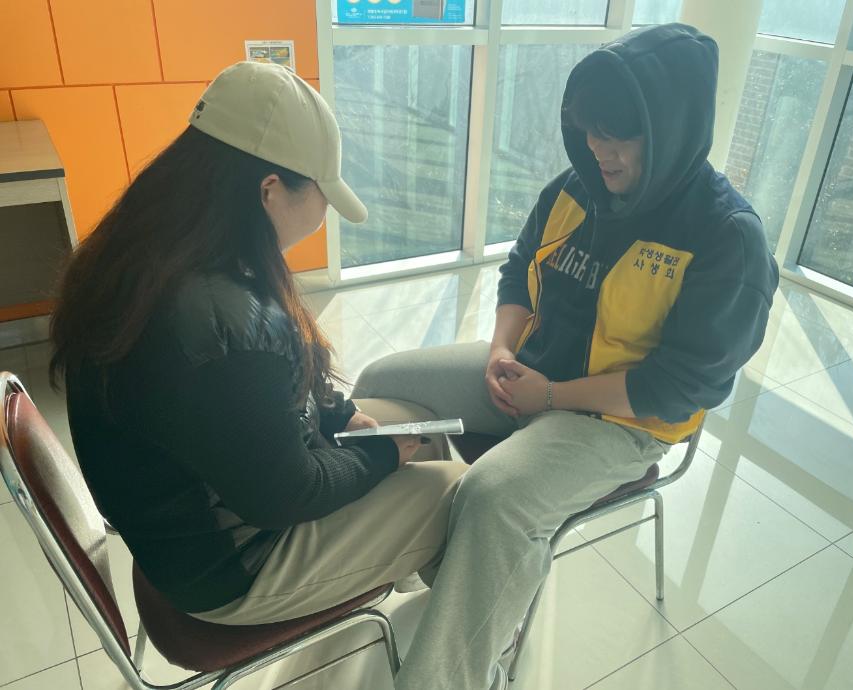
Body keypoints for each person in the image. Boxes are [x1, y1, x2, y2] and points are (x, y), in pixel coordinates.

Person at [352, 23, 780, 689]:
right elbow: (520, 270)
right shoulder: (576, 187)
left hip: (621, 420)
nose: (599, 151)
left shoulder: (727, 238)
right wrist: (501, 349)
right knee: (383, 384)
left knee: (496, 496)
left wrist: (550, 397)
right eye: (589, 133)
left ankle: (453, 673)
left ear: (671, 130)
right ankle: (436, 558)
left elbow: (678, 387)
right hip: (533, 371)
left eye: (618, 137)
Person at [49, 61, 466, 625]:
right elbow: (286, 494)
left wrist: (340, 413)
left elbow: (263, 398)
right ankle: (446, 629)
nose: (323, 214)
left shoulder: (153, 251)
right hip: (232, 566)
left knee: (416, 427)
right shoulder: (213, 320)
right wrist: (380, 456)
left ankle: (423, 568)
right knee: (463, 491)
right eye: (321, 195)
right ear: (270, 190)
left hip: (195, 514)